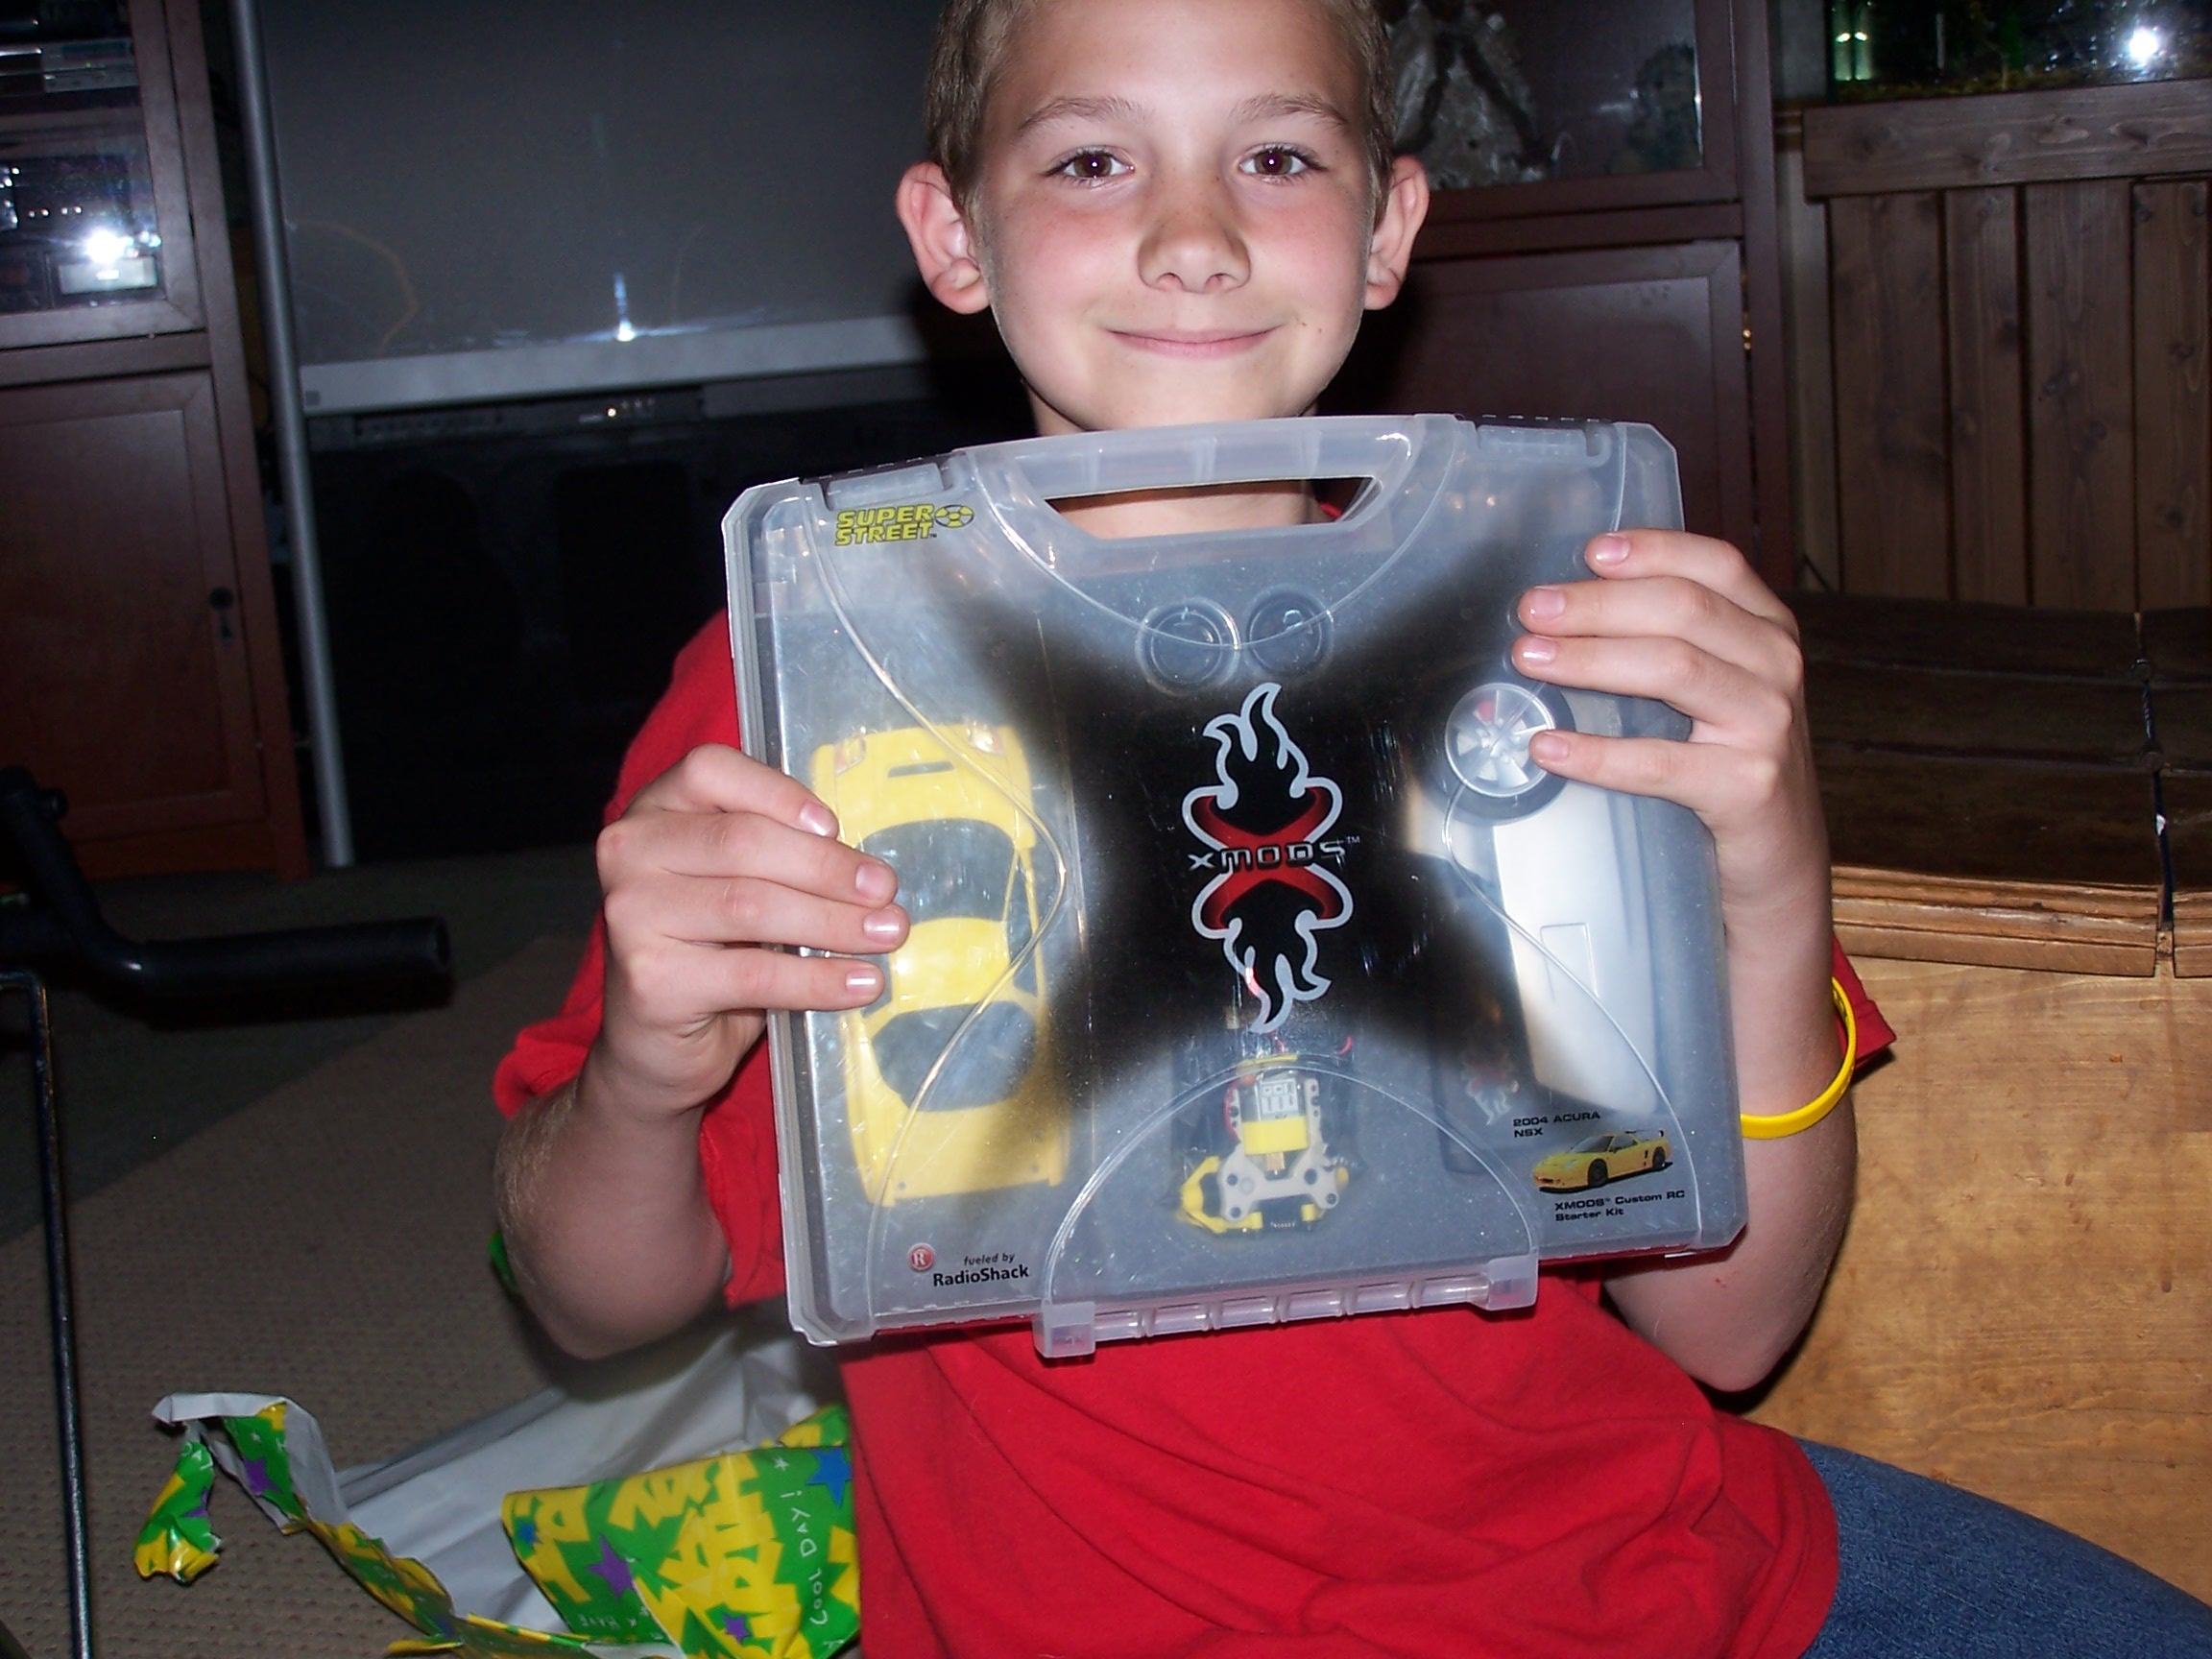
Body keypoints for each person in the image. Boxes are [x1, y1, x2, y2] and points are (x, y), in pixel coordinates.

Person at [493, 1, 2212, 1652]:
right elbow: (590, 1298)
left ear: (1387, 230)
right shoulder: (821, 683)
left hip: (1643, 1568)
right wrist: (645, 1072)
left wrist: (1771, 885)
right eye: (1092, 160)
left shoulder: (1553, 642)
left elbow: (1731, 1328)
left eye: (1278, 158)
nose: (1193, 238)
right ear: (954, 236)